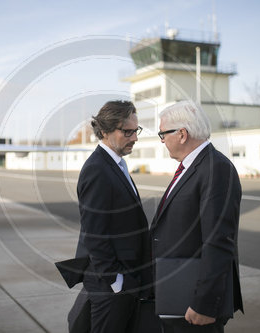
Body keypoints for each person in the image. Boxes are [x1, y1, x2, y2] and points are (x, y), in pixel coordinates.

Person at [150, 100, 244, 333]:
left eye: (163, 134)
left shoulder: (215, 168)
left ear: (182, 134)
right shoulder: (193, 167)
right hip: (177, 294)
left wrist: (205, 304)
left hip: (194, 306)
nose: (162, 141)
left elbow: (219, 240)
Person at [63, 100, 152, 333]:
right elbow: (94, 233)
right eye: (127, 132)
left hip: (124, 280)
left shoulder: (116, 165)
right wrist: (116, 281)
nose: (134, 138)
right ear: (105, 131)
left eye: (136, 130)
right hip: (111, 284)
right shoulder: (97, 169)